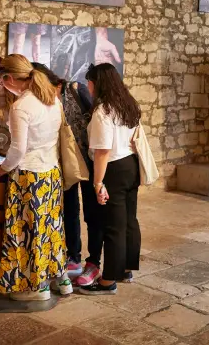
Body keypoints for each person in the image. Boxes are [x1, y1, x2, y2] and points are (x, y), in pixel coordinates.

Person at [0, 54, 70, 301]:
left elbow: (18, 149)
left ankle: (36, 287)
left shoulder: (21, 106)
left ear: (9, 79)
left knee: (27, 231)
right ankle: (60, 279)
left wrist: (0, 169)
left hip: (28, 176)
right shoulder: (51, 99)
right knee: (51, 228)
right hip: (51, 172)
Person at [79, 63, 141, 295]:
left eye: (89, 81)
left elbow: (102, 151)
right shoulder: (128, 104)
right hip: (130, 165)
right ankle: (125, 269)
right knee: (129, 221)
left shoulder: (103, 111)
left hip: (113, 167)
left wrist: (98, 184)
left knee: (113, 226)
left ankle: (108, 281)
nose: (88, 86)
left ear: (98, 83)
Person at [31, 63, 95, 279]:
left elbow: (95, 118)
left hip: (87, 160)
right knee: (69, 210)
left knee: (91, 212)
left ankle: (93, 261)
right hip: (63, 162)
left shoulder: (75, 89)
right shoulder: (43, 100)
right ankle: (73, 256)